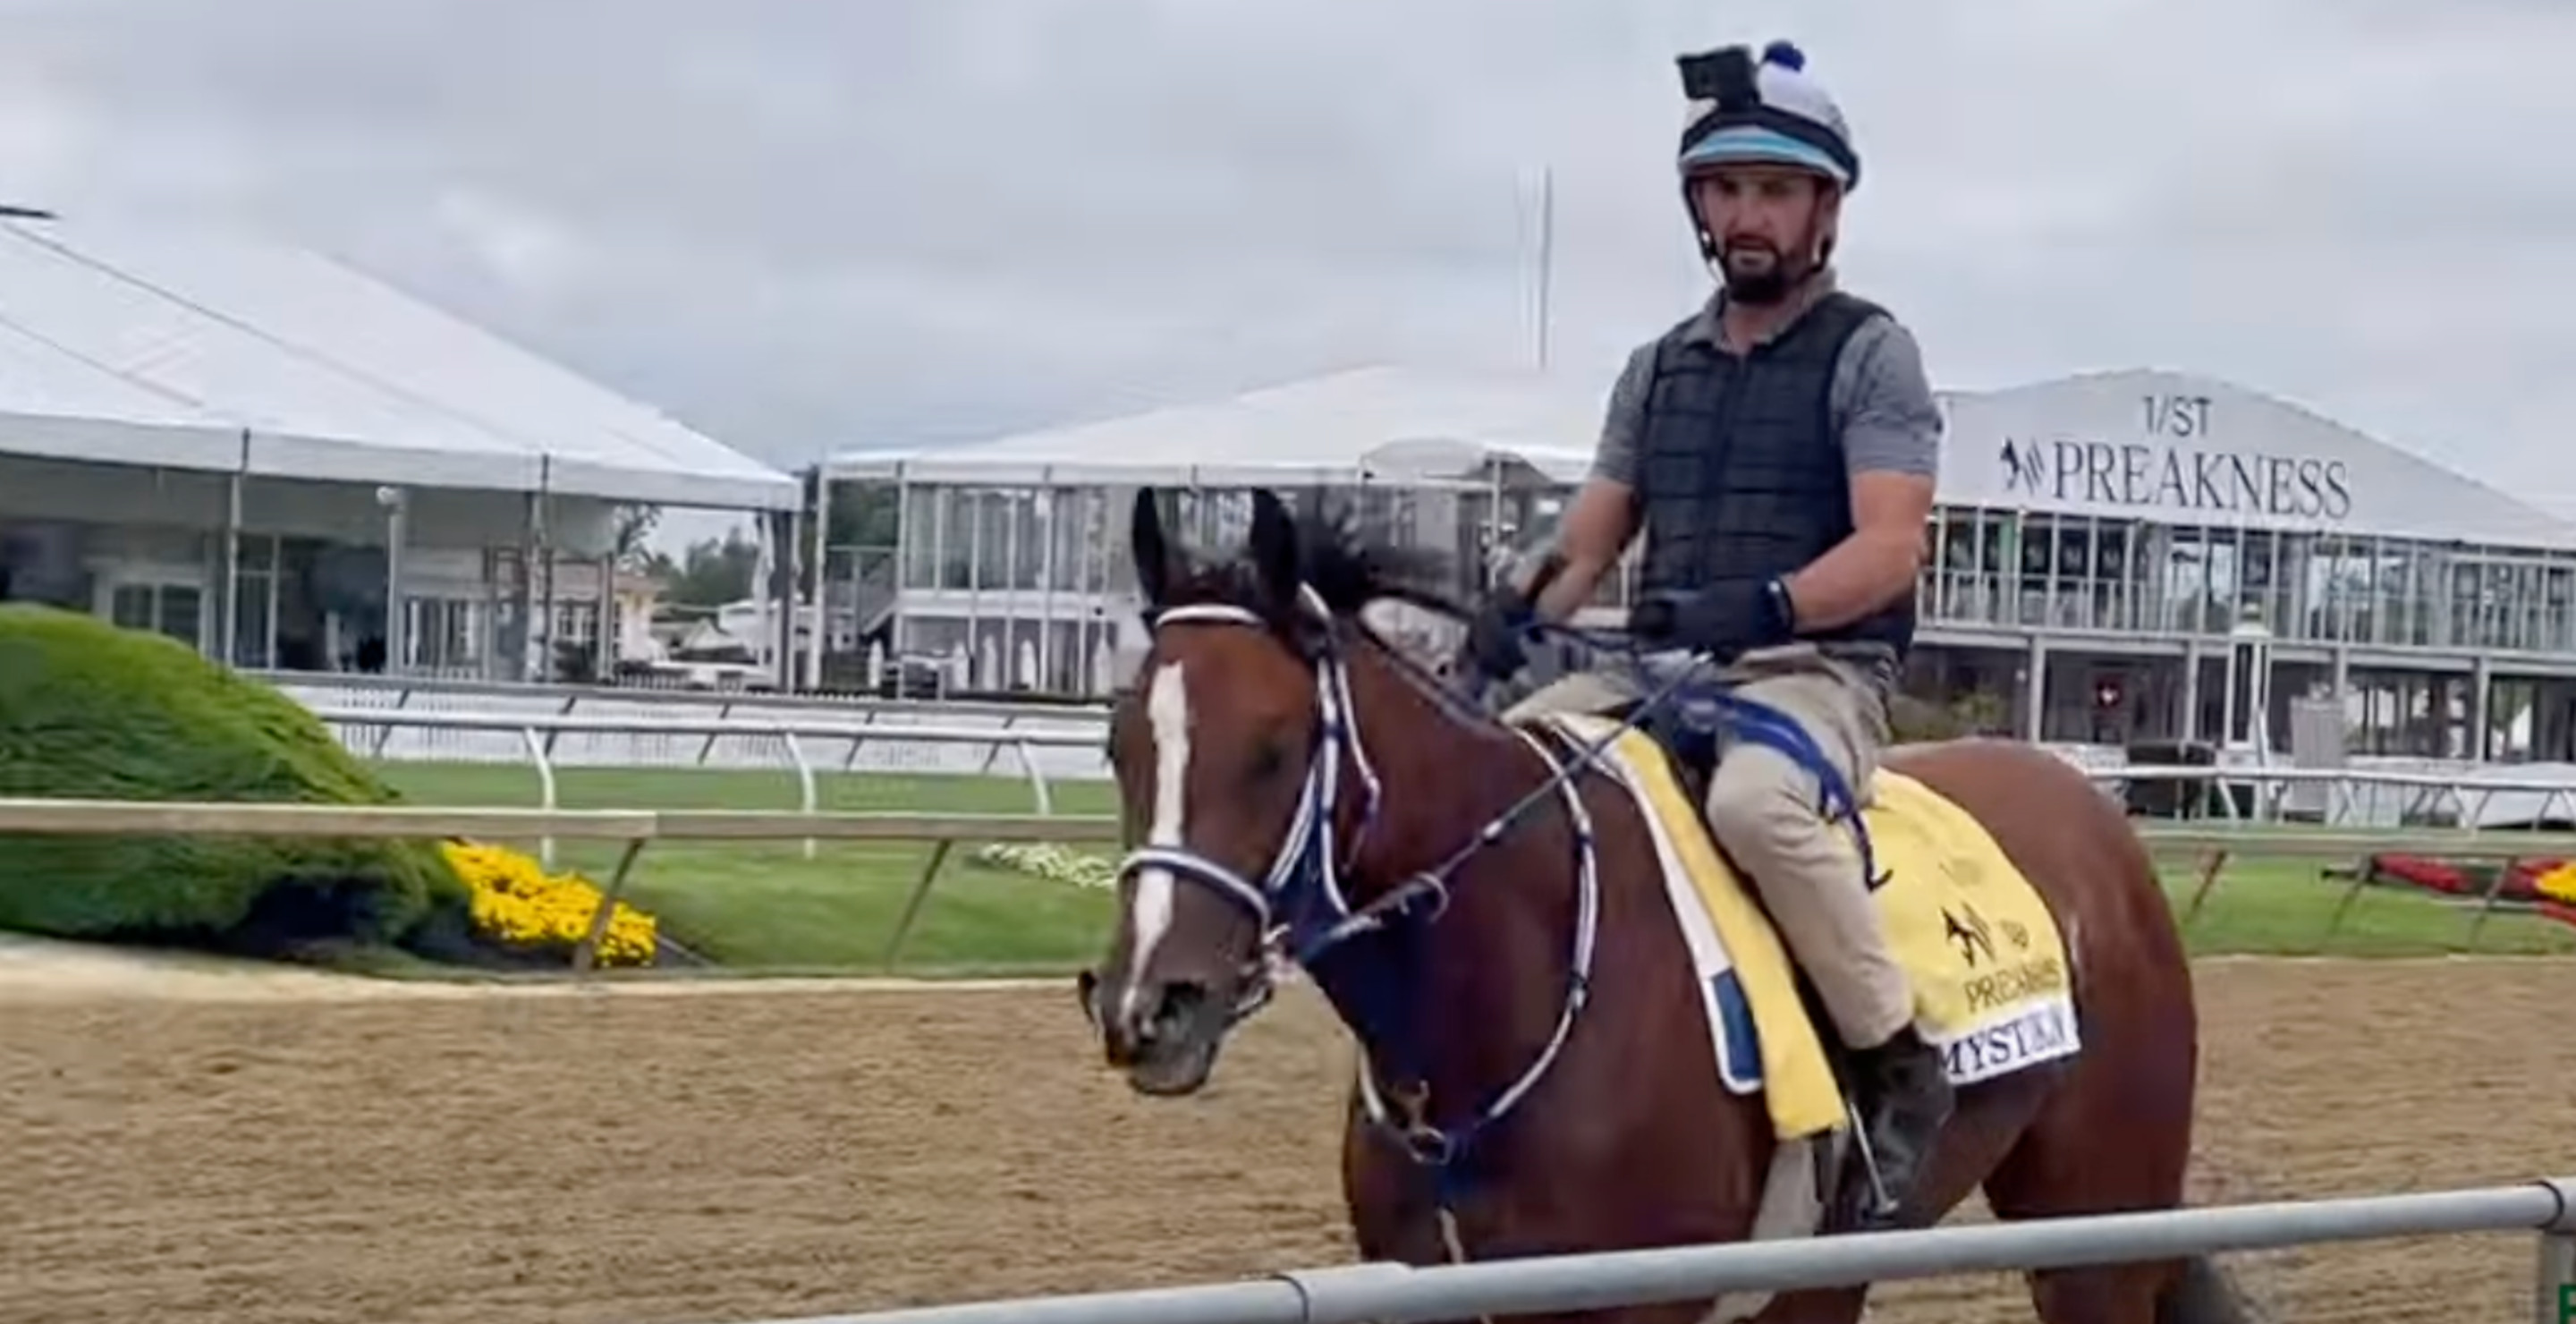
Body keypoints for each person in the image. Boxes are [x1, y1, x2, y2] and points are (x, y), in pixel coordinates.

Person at [1462, 38, 1950, 1225]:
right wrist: (1509, 620)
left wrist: (1765, 606)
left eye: (1774, 193)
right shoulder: (1656, 369)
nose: (1746, 217)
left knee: (1754, 809)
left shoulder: (1871, 353)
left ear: (1823, 210)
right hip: (1660, 675)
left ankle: (1897, 1059)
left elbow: (1892, 546)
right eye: (1724, 191)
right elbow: (1588, 544)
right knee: (1494, 780)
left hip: (1814, 673)